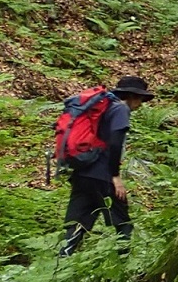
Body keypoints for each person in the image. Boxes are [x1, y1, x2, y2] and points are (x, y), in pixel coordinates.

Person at [60, 76, 154, 256]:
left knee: (77, 225)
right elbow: (115, 143)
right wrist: (115, 176)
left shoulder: (102, 108)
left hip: (82, 173)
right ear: (133, 96)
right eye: (140, 99)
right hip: (103, 176)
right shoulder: (120, 109)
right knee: (123, 225)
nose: (140, 104)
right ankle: (124, 267)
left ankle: (61, 263)